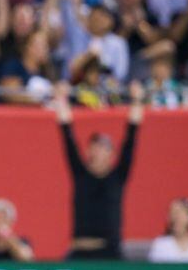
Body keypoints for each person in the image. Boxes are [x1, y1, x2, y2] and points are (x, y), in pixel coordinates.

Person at [55, 79, 144, 260]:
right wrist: (61, 99)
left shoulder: (118, 176)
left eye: (102, 148)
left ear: (111, 154)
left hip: (109, 253)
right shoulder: (80, 174)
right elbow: (66, 133)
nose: (96, 152)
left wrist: (137, 100)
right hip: (79, 252)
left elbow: (132, 134)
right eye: (93, 147)